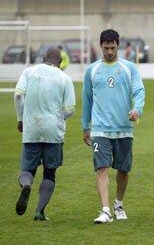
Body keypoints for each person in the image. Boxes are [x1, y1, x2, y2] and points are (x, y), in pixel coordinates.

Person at [81, 29, 145, 224]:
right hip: (100, 129)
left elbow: (139, 91)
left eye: (113, 48)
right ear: (101, 46)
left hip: (124, 128)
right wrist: (85, 126)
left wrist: (137, 110)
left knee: (123, 170)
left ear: (119, 46)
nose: (109, 52)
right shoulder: (92, 70)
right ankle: (106, 210)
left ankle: (118, 204)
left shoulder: (129, 68)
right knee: (102, 168)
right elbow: (87, 99)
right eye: (106, 48)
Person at [14, 47, 76, 221]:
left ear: (43, 59)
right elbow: (70, 110)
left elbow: (18, 96)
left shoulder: (29, 72)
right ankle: (39, 212)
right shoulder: (65, 78)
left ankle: (26, 184)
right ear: (60, 62)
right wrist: (57, 117)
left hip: (32, 127)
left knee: (28, 169)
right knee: (49, 173)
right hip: (53, 130)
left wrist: (21, 119)